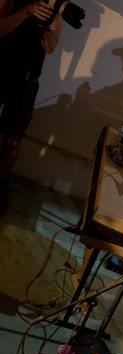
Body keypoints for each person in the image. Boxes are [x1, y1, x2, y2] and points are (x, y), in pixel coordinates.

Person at [0, 0, 61, 211]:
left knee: (12, 140)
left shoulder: (52, 6)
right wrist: (25, 12)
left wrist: (52, 31)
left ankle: (2, 185)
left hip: (28, 79)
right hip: (2, 71)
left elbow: (49, 48)